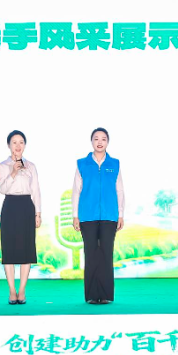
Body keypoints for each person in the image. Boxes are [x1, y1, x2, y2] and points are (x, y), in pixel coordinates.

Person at [72, 127, 124, 304]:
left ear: (107, 142)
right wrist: (75, 215)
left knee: (106, 254)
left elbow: (119, 190)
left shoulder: (115, 164)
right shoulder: (82, 164)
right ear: (91, 141)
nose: (100, 142)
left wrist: (120, 214)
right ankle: (92, 296)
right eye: (96, 139)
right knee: (91, 254)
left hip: (110, 215)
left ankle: (106, 295)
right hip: (87, 215)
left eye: (103, 139)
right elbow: (76, 191)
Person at [0, 130, 42, 305]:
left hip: (26, 206)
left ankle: (22, 290)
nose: (18, 146)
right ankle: (11, 290)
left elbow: (36, 190)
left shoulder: (31, 166)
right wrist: (13, 172)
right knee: (8, 249)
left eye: (21, 142)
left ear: (25, 145)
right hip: (10, 206)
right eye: (14, 142)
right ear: (9, 145)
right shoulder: (3, 166)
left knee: (26, 249)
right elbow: (2, 189)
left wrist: (38, 213)